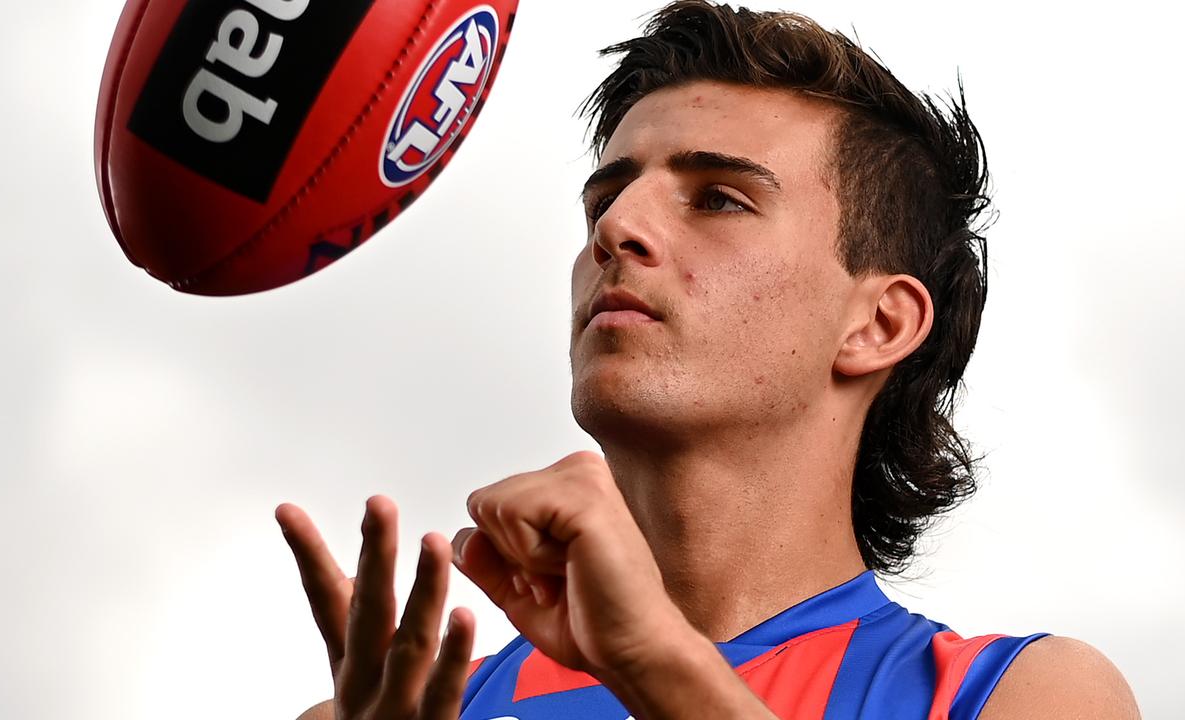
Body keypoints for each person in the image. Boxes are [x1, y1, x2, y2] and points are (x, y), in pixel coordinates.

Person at [275, 2, 1140, 718]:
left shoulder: (1022, 694)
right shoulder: (407, 706)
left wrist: (658, 661)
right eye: (606, 198)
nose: (617, 228)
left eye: (719, 199)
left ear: (877, 324)